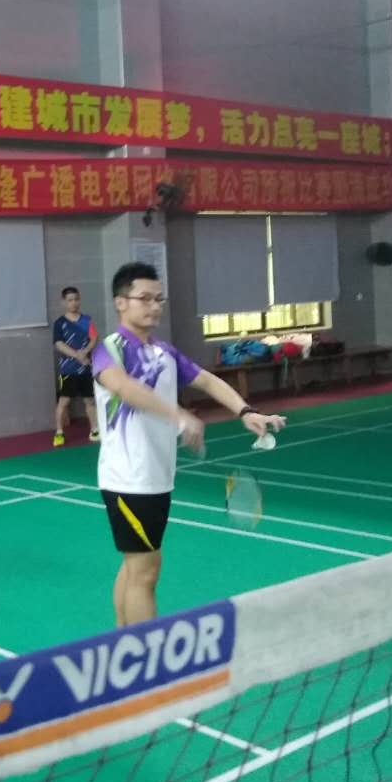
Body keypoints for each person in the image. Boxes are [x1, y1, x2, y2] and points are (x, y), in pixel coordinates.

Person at [92, 263, 285, 627]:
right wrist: (179, 415)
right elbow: (124, 387)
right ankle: (147, 652)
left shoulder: (165, 353)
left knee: (135, 566)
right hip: (128, 479)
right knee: (146, 571)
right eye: (144, 298)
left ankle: (121, 638)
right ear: (121, 302)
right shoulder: (109, 349)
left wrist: (245, 411)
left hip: (157, 478)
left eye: (158, 299)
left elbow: (208, 381)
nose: (154, 306)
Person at [52, 286, 99, 447]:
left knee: (90, 401)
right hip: (68, 370)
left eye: (76, 299)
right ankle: (59, 432)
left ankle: (94, 430)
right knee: (64, 402)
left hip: (86, 368)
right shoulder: (60, 323)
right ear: (64, 302)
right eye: (70, 300)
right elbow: (59, 344)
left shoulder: (87, 320)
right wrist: (78, 355)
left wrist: (85, 351)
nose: (74, 303)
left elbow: (94, 338)